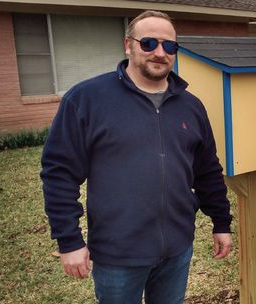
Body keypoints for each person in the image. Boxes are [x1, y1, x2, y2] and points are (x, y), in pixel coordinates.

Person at [40, 10, 233, 304]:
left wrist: (221, 222)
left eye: (169, 46)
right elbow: (59, 173)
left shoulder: (191, 106)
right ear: (127, 45)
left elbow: (207, 170)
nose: (159, 52)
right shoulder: (86, 100)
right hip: (117, 255)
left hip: (177, 250)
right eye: (149, 43)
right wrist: (69, 241)